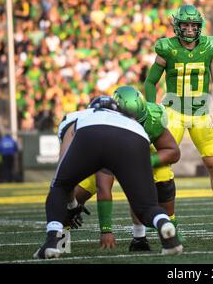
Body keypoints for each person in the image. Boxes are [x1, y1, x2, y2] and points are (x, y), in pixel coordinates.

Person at [34, 95, 183, 259]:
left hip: (90, 134)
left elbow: (67, 182)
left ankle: (52, 243)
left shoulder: (78, 116)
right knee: (146, 207)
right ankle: (164, 225)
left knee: (59, 186)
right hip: (135, 136)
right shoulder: (132, 121)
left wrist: (73, 206)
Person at [144, 4, 213, 228]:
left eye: (193, 25)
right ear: (177, 26)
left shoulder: (209, 47)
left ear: (200, 26)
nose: (189, 29)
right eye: (185, 24)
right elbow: (151, 82)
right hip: (173, 111)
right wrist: (151, 110)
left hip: (199, 112)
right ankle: (169, 218)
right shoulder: (167, 48)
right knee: (162, 163)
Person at [70, 87, 183, 251]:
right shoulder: (104, 127)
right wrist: (106, 229)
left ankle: (159, 229)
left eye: (140, 122)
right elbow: (104, 186)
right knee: (79, 191)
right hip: (107, 152)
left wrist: (146, 161)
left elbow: (173, 151)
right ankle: (58, 235)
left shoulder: (153, 117)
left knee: (162, 174)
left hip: (140, 152)